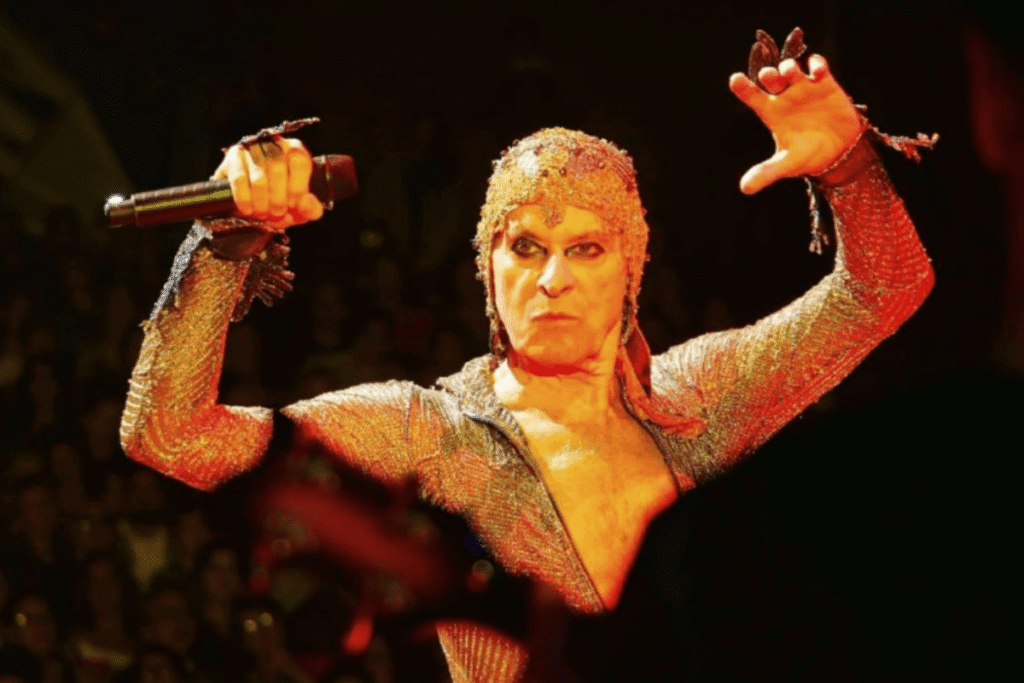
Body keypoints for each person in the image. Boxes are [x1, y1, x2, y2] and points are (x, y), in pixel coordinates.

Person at [120, 31, 935, 682]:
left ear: (631, 270)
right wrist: (225, 241)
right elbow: (171, 436)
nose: (552, 279)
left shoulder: (700, 397)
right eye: (526, 247)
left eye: (585, 248)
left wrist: (849, 166)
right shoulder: (427, 431)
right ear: (488, 266)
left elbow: (886, 287)